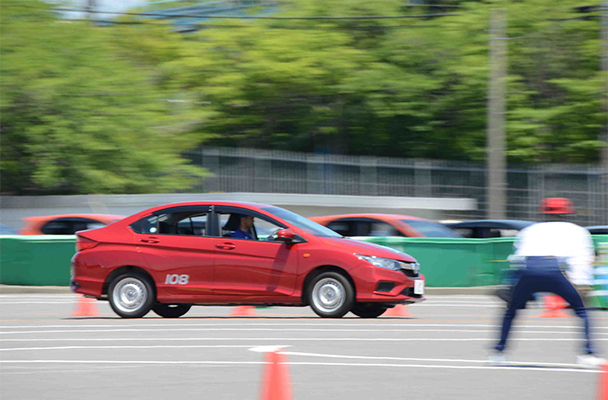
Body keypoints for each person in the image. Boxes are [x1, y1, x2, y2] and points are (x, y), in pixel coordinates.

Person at [490, 198, 604, 368]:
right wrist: (582, 284)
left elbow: (517, 257)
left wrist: (511, 285)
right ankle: (587, 355)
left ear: (543, 212)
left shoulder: (529, 230)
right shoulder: (578, 231)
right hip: (555, 270)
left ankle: (498, 354)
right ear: (567, 212)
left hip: (527, 270)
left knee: (510, 311)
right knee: (582, 310)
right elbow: (581, 259)